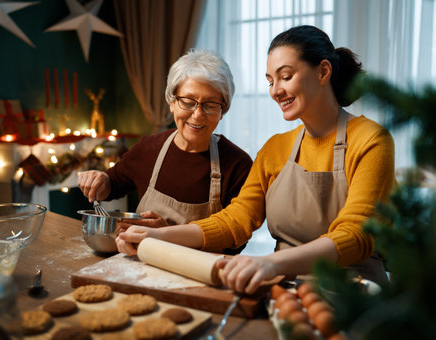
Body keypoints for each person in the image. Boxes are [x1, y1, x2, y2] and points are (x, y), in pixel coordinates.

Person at [116, 25, 395, 293]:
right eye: (270, 81)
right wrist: (158, 237)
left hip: (355, 296)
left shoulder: (371, 140)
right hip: (286, 292)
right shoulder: (276, 148)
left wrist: (270, 263)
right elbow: (235, 220)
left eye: (285, 77)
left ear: (323, 71)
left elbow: (356, 236)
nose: (275, 91)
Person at [78, 50, 253, 254]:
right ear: (172, 102)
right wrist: (99, 181)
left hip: (200, 275)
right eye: (187, 101)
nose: (197, 115)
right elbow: (113, 184)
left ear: (222, 111)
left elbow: (236, 243)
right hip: (141, 264)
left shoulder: (238, 164)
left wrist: (167, 235)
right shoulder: (149, 148)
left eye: (210, 105)